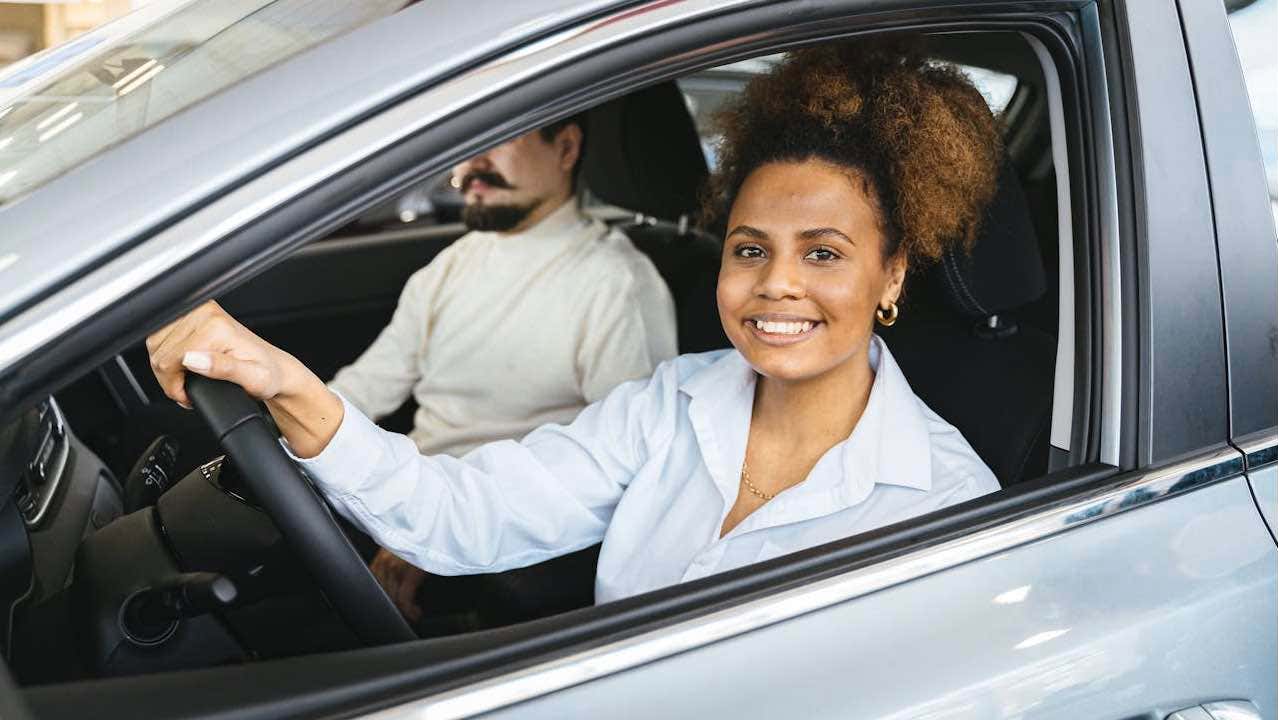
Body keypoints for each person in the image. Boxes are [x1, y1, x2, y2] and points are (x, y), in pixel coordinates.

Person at [146, 39, 1002, 608]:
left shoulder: (947, 503)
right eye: (748, 250)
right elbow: (461, 512)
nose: (775, 285)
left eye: (822, 254)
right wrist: (288, 385)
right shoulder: (672, 405)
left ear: (891, 272)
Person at [328, 115, 678, 621]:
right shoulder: (453, 263)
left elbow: (627, 466)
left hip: (499, 536)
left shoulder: (615, 284)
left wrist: (441, 534)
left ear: (565, 149)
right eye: (465, 142)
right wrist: (289, 427)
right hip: (404, 496)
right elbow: (368, 386)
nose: (473, 164)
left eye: (497, 137)